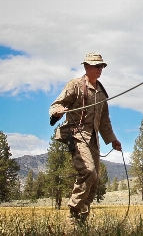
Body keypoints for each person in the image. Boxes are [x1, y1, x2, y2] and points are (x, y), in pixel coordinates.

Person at [49, 52, 122, 226]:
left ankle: (82, 219)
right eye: (96, 66)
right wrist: (58, 111)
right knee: (89, 171)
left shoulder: (101, 93)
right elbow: (57, 104)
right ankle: (73, 213)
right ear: (86, 67)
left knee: (95, 178)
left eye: (101, 66)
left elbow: (105, 121)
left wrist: (113, 140)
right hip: (76, 134)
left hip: (93, 139)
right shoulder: (75, 85)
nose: (100, 69)